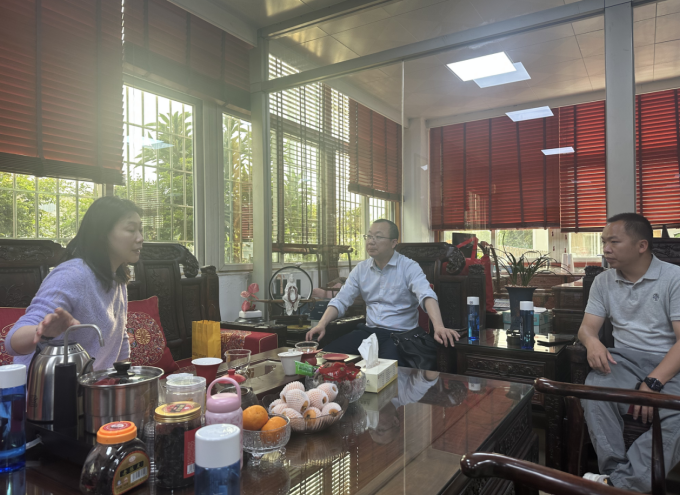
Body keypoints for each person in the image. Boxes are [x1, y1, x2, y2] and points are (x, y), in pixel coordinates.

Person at [579, 213, 680, 491]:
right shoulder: (603, 281)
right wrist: (592, 341)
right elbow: (587, 328)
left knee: (677, 414)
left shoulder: (674, 278)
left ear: (641, 246)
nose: (606, 249)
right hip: (622, 361)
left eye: (614, 242)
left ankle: (616, 485)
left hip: (670, 363)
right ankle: (614, 477)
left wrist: (652, 383)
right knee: (594, 392)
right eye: (603, 242)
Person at [6, 196, 144, 370]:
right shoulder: (72, 275)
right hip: (47, 384)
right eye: (131, 230)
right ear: (102, 234)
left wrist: (125, 379)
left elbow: (119, 338)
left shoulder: (117, 278)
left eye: (140, 230)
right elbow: (12, 342)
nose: (140, 238)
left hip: (93, 384)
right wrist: (43, 332)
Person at [305, 219, 459, 367]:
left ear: (393, 243)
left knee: (385, 369)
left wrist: (439, 327)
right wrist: (322, 324)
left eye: (378, 237)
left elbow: (426, 295)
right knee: (326, 358)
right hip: (369, 333)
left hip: (401, 335)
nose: (371, 241)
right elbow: (341, 300)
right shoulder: (361, 269)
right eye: (369, 236)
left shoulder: (409, 267)